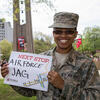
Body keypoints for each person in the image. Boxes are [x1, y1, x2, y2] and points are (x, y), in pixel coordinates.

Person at [1, 12, 100, 100]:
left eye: (69, 32)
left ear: (75, 34)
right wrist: (11, 78)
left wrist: (63, 86)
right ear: (53, 33)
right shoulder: (40, 60)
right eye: (58, 31)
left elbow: (95, 96)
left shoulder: (87, 64)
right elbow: (30, 92)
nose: (63, 36)